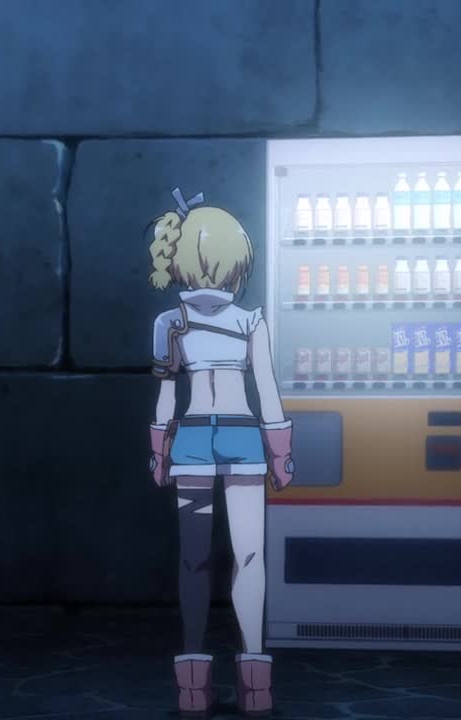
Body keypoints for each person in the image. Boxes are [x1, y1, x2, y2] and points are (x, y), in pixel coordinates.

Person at [146, 188, 295, 717]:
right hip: (242, 438)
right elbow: (267, 392)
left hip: (190, 442)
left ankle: (193, 685)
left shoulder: (168, 323)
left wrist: (159, 449)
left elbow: (166, 397)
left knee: (195, 559)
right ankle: (256, 683)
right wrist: (281, 451)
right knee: (248, 556)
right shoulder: (251, 321)